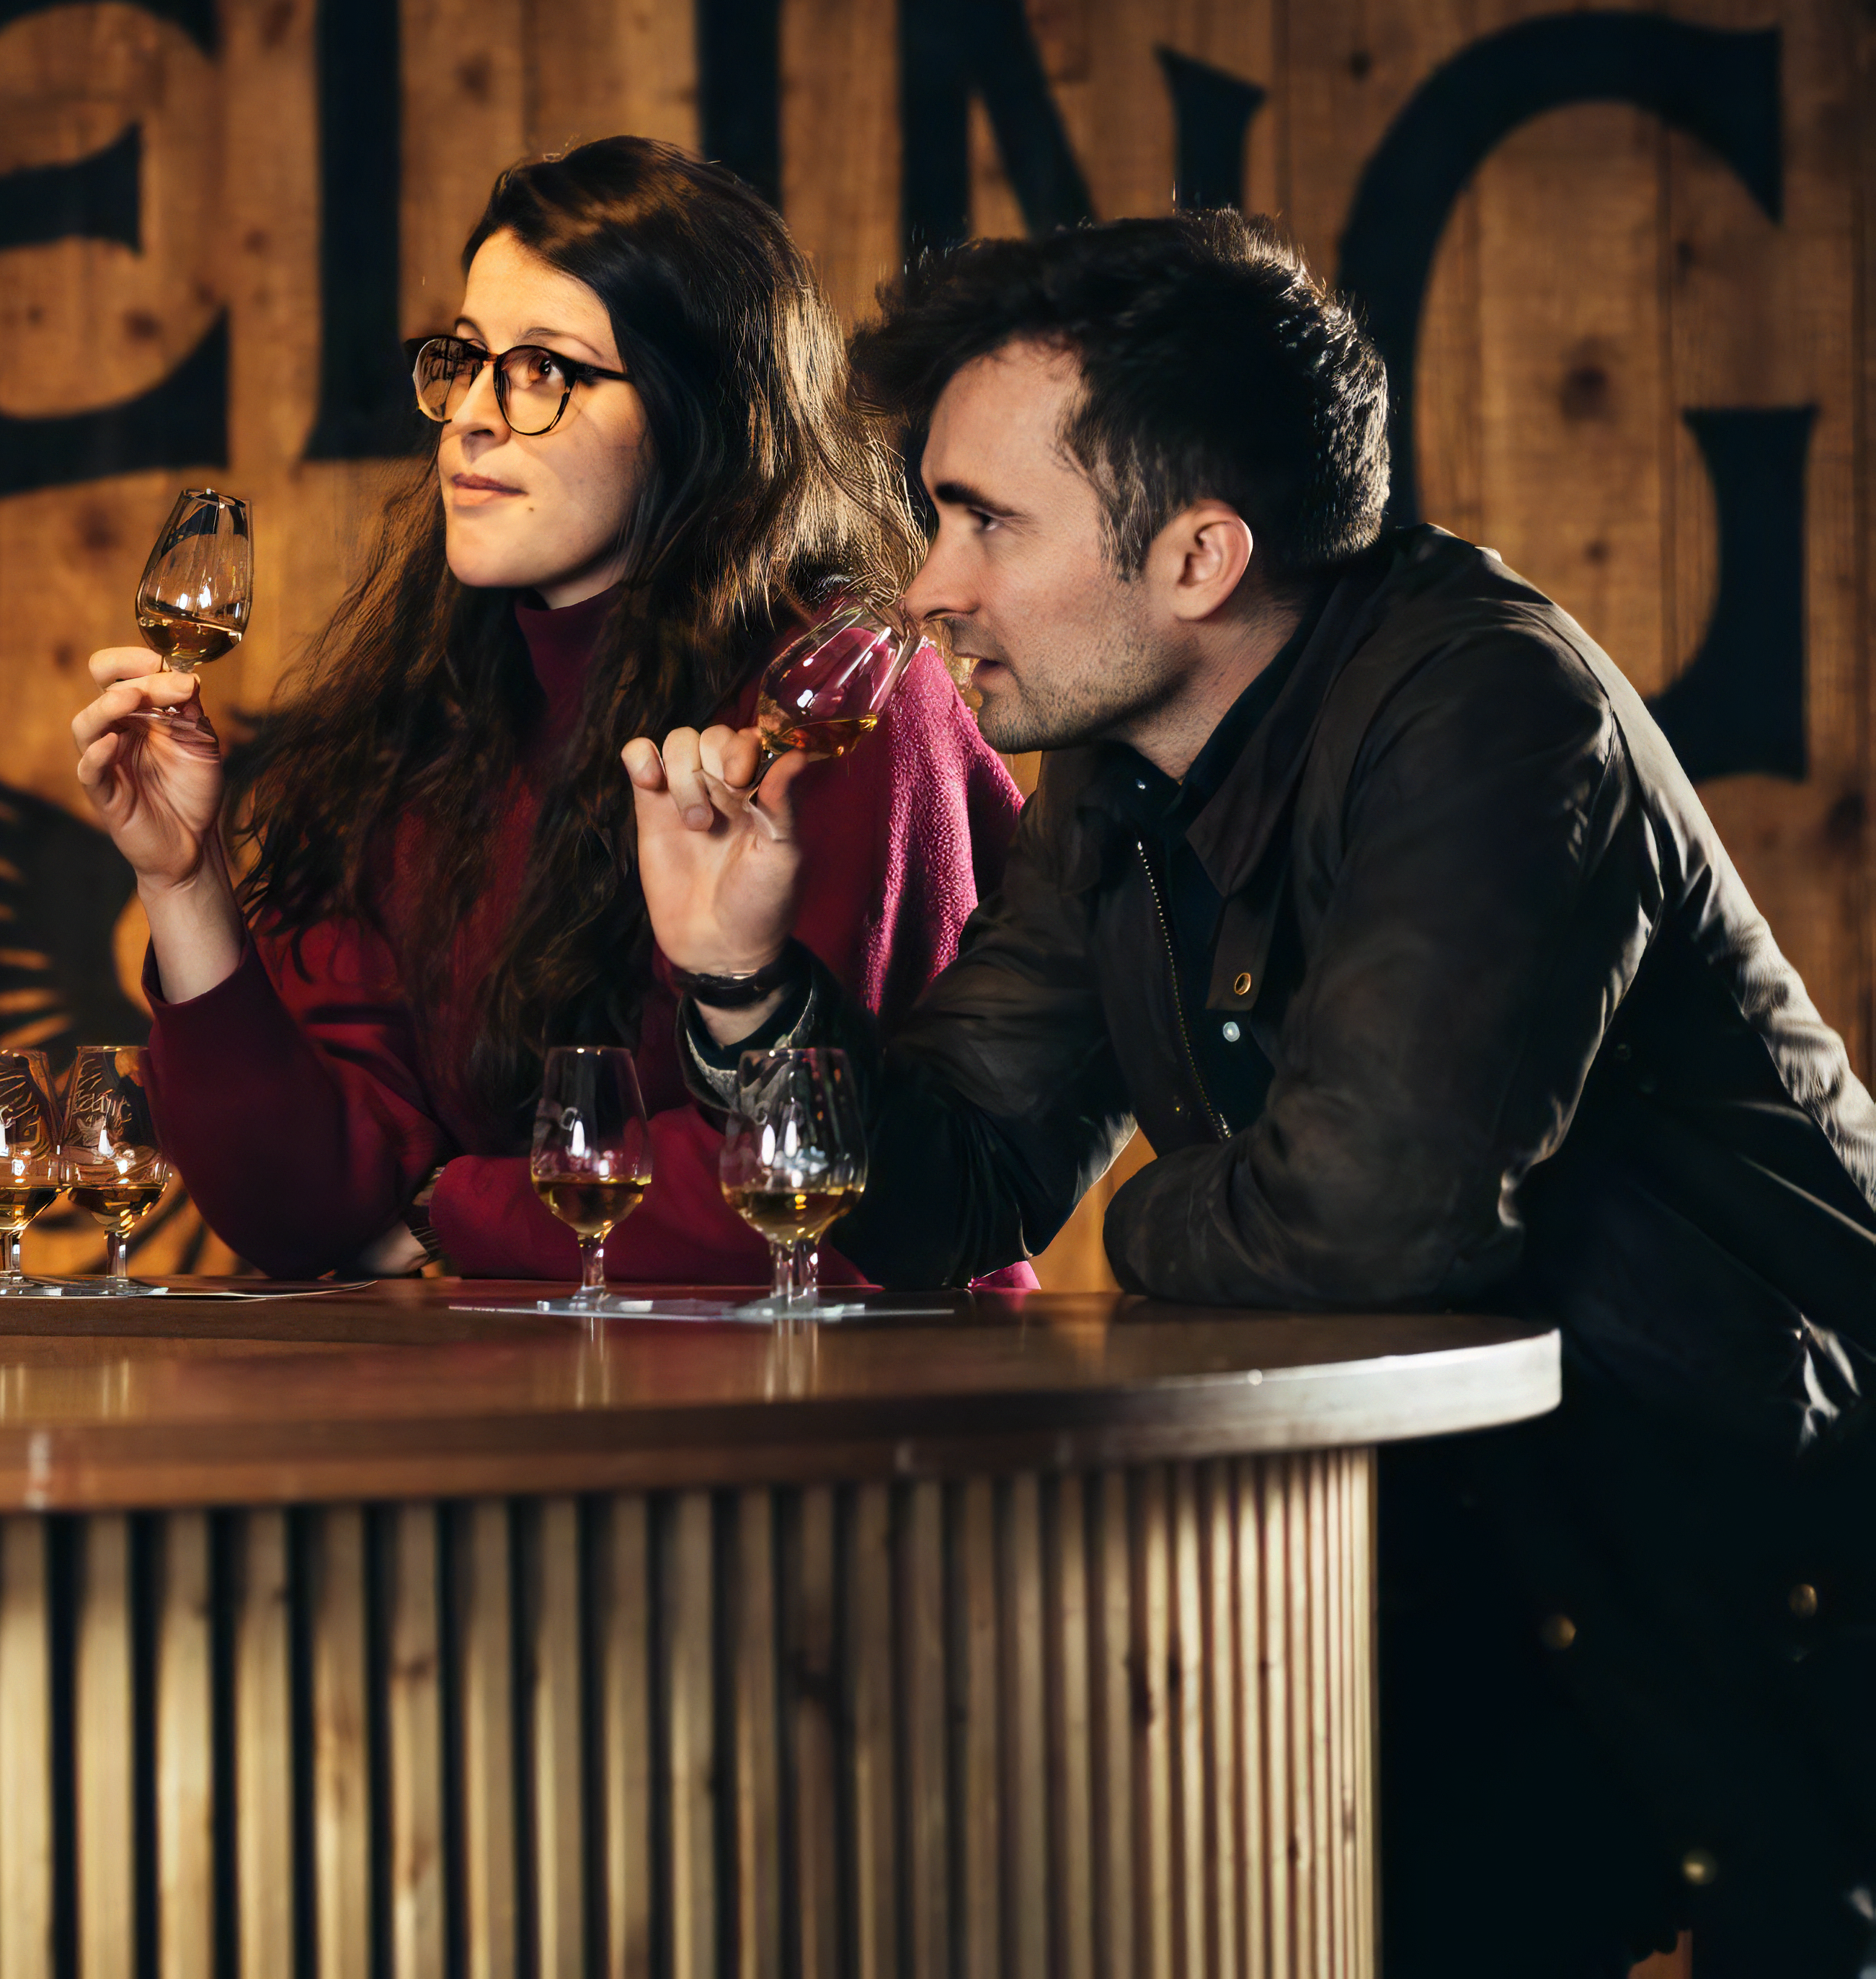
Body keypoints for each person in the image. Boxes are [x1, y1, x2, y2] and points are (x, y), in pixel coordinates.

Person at [626, 210, 1876, 1973]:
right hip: (1469, 1580)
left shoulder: (1489, 707)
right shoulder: (1124, 774)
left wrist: (1138, 1217)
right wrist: (745, 975)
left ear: (1200, 556)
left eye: (984, 519)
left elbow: (1373, 1215)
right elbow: (952, 1184)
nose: (926, 584)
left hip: (1750, 1592)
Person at [68, 137, 1031, 1286]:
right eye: (465, 359)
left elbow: (811, 1187)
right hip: (533, 1405)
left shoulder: (841, 702)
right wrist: (184, 883)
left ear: (694, 411)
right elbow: (301, 1207)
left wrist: (449, 1213)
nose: (471, 414)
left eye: (542, 371)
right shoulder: (435, 706)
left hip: (850, 1420)